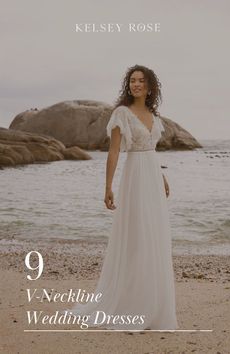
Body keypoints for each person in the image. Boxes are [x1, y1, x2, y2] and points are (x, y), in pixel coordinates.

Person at [66, 64, 179, 331]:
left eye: (141, 81)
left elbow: (151, 150)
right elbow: (115, 151)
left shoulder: (152, 114)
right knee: (137, 237)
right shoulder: (121, 113)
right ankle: (131, 304)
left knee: (155, 237)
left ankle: (154, 305)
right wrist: (108, 186)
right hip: (134, 178)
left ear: (150, 87)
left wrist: (161, 177)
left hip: (152, 177)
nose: (136, 85)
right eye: (132, 81)